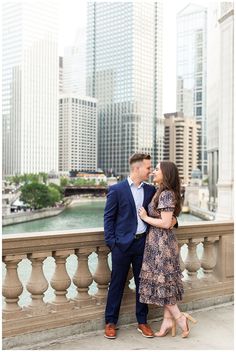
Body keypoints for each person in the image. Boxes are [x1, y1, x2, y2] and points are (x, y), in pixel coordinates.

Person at [103, 153, 177, 339]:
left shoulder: (151, 190)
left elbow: (165, 214)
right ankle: (111, 322)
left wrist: (174, 222)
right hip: (121, 246)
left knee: (142, 285)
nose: (150, 170)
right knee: (116, 284)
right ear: (137, 168)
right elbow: (109, 218)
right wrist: (112, 243)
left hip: (144, 244)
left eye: (153, 168)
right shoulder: (117, 190)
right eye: (147, 167)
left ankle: (142, 322)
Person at [138, 161, 197, 339]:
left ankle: (180, 318)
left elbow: (165, 223)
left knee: (163, 283)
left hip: (161, 245)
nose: (154, 171)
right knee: (165, 283)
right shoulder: (161, 192)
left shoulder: (165, 195)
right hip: (158, 243)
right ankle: (167, 321)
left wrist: (145, 217)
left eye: (157, 169)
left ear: (166, 173)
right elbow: (171, 220)